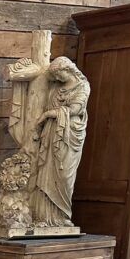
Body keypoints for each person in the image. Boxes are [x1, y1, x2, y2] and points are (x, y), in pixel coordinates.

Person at [29, 57, 90, 227]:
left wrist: (48, 114)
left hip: (70, 134)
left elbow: (75, 109)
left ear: (67, 70)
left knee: (64, 176)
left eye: (58, 74)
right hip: (51, 132)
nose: (57, 78)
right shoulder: (56, 85)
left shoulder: (83, 86)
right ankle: (42, 216)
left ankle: (62, 216)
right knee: (46, 171)